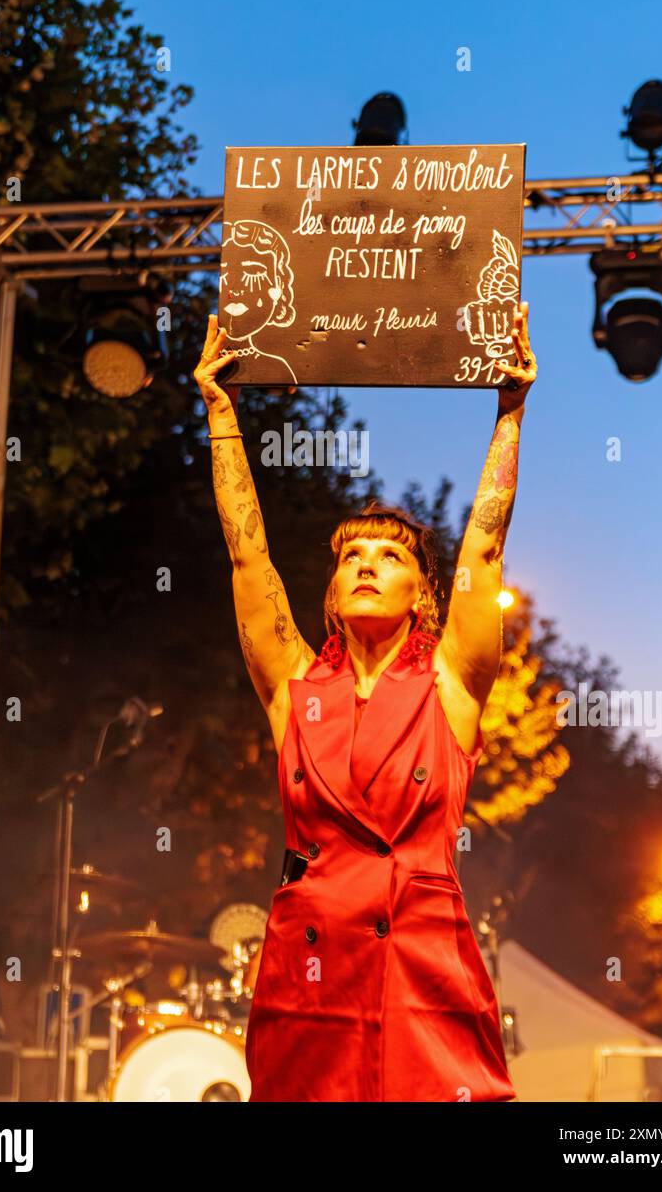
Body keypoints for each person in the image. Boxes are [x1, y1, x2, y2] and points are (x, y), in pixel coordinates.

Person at [193, 304, 537, 1102]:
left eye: (391, 556)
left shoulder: (449, 686)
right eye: (352, 555)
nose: (368, 565)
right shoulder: (295, 687)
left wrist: (510, 412)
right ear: (331, 592)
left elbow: (484, 550)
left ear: (424, 597)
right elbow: (248, 555)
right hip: (310, 968)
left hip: (422, 961)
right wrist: (221, 412)